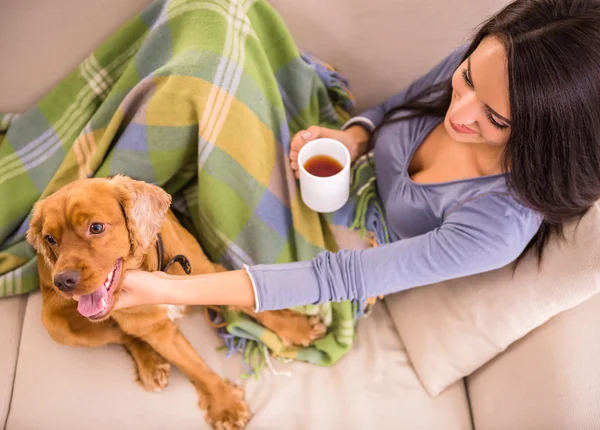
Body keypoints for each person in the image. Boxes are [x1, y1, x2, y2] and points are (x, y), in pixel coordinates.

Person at [114, 0, 600, 312]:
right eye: (467, 77)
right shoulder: (494, 62)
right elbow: (392, 109)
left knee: (212, 95)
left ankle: (108, 203)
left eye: (495, 119)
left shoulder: (497, 226)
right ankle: (107, 183)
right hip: (342, 174)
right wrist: (351, 138)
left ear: (547, 137)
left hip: (341, 253)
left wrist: (165, 290)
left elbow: (338, 276)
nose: (460, 112)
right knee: (217, 17)